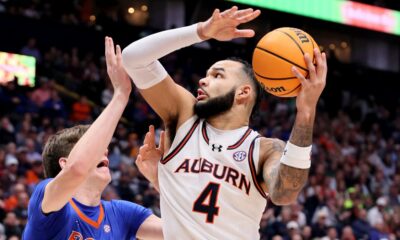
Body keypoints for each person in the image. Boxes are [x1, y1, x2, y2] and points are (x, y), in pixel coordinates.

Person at [123, 6, 327, 240]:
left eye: (217, 75)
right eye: (207, 74)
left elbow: (284, 194)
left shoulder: (264, 149)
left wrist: (306, 111)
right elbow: (133, 59)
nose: (203, 80)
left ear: (243, 93)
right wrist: (200, 31)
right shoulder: (185, 121)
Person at [22, 37, 163, 240]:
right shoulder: (46, 197)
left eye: (104, 148)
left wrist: (161, 182)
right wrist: (121, 94)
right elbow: (77, 169)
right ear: (64, 162)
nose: (104, 150)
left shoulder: (123, 213)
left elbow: (187, 232)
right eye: (97, 149)